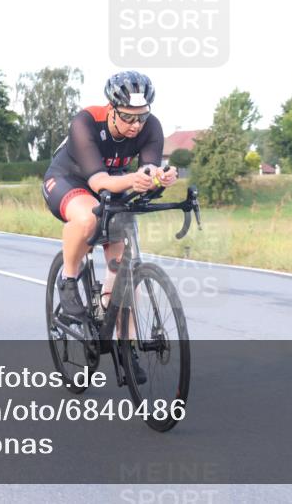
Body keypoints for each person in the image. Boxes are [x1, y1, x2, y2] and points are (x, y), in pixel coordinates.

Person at [41, 72, 178, 379]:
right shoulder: (85, 122)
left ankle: (121, 338)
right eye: (128, 119)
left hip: (111, 186)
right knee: (88, 217)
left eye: (141, 118)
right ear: (111, 108)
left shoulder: (150, 126)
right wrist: (134, 179)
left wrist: (162, 177)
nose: (136, 126)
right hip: (68, 180)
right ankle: (69, 279)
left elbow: (148, 169)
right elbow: (98, 180)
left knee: (122, 261)